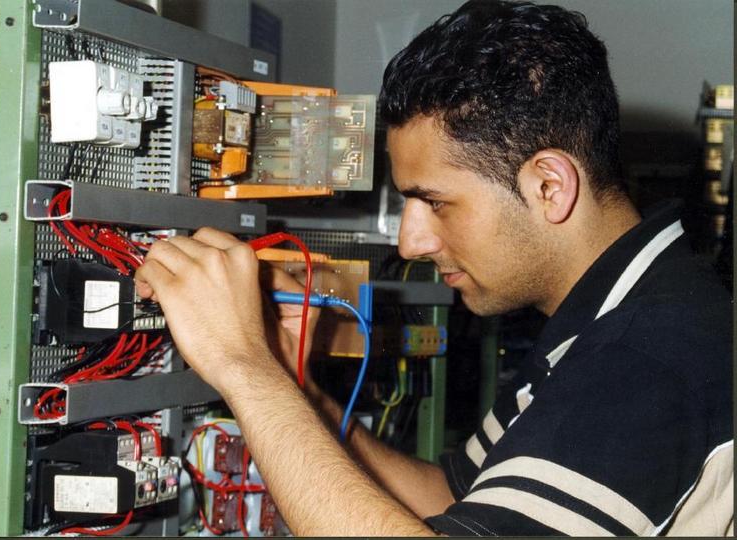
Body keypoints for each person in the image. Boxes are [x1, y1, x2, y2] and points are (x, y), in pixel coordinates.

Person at [135, 0, 733, 535]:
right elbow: (453, 496)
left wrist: (246, 370)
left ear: (549, 187)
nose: (411, 240)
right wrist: (296, 389)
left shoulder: (649, 353)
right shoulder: (613, 316)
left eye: (435, 201)